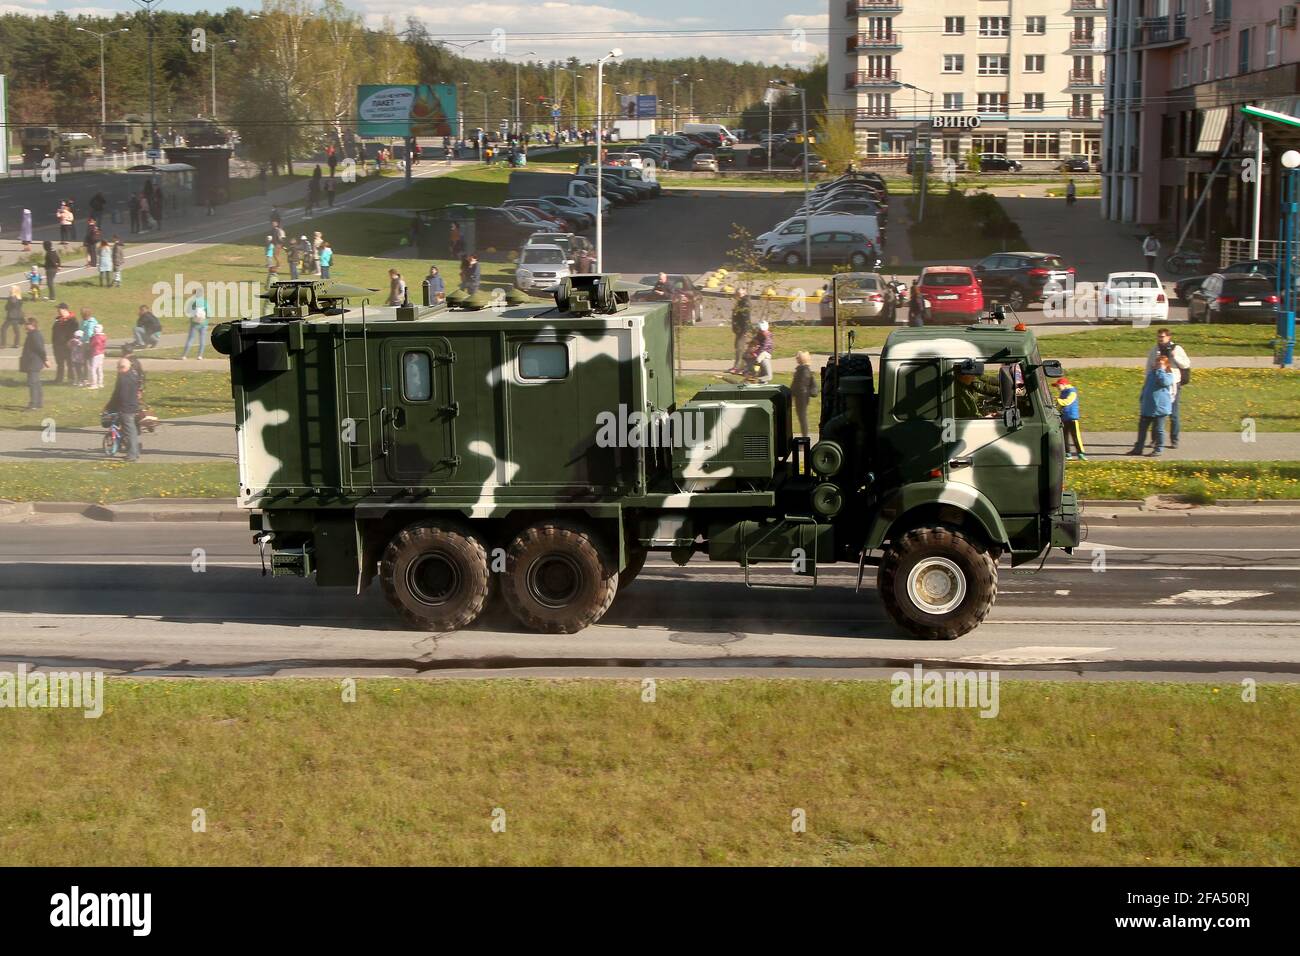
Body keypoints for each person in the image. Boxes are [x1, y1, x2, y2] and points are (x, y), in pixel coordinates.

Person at [1147, 328, 1191, 449]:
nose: (1160, 339)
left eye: (1162, 337)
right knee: (1156, 412)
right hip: (1157, 384)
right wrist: (1148, 381)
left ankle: (1174, 440)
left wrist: (1174, 357)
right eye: (1159, 337)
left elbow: (1186, 364)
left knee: (1174, 413)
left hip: (1173, 383)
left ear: (1168, 337)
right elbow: (1149, 366)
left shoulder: (1177, 349)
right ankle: (1154, 439)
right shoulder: (1154, 350)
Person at [1129, 354, 1175, 456]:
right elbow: (1146, 387)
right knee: (1142, 429)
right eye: (1157, 363)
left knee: (1159, 430)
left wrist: (1161, 371)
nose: (1158, 365)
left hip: (1160, 409)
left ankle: (1158, 449)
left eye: (1161, 364)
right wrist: (1142, 398)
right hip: (1147, 408)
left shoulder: (1168, 375)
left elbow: (1164, 382)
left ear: (1166, 366)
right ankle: (1138, 448)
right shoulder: (1151, 374)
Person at [104, 357, 142, 461]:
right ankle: (135, 452)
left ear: (122, 367)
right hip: (133, 407)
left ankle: (132, 455)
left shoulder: (123, 378)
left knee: (129, 432)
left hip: (126, 409)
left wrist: (110, 407)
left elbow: (118, 395)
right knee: (132, 431)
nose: (117, 369)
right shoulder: (134, 374)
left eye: (118, 367)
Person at [19, 317, 49, 410]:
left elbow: (40, 349)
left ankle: (33, 405)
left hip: (33, 363)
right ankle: (39, 403)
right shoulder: (33, 334)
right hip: (33, 362)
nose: (25, 326)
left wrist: (45, 359)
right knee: (36, 383)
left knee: (33, 383)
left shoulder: (34, 335)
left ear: (32, 325)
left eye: (27, 324)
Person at [1055, 377, 1086, 460]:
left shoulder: (1072, 391)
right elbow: (1059, 406)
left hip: (1072, 418)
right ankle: (1067, 453)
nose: (1058, 388)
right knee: (1064, 436)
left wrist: (1058, 401)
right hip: (1064, 418)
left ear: (1064, 384)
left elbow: (1068, 401)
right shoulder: (1062, 393)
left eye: (1058, 386)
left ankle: (1081, 453)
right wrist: (1055, 411)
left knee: (1075, 436)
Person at [791, 350, 820, 438]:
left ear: (801, 359)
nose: (796, 358)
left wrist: (792, 393)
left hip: (802, 397)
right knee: (802, 418)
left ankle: (805, 438)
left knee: (802, 418)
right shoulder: (802, 369)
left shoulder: (803, 370)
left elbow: (799, 385)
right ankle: (804, 437)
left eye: (798, 357)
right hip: (802, 396)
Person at [50, 304, 77, 383]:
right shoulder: (58, 320)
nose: (58, 311)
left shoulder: (72, 320)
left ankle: (71, 379)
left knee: (70, 363)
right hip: (58, 346)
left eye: (59, 309)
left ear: (65, 309)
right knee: (60, 364)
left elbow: (74, 333)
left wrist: (70, 342)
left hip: (68, 346)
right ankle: (59, 379)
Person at [728, 287, 751, 374]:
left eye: (738, 294)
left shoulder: (744, 303)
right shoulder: (740, 303)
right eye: (736, 294)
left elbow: (746, 319)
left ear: (744, 294)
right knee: (738, 348)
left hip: (743, 330)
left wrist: (745, 331)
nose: (736, 295)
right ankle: (739, 366)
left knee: (740, 348)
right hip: (739, 330)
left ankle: (738, 367)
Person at [181, 290, 209, 359]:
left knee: (190, 339)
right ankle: (200, 356)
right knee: (202, 339)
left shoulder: (192, 302)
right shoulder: (205, 302)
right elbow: (209, 313)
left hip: (194, 323)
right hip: (204, 323)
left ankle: (184, 355)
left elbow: (188, 312)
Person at [87, 322, 107, 389]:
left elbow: (92, 344)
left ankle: (94, 384)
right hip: (101, 353)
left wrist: (91, 339)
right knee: (99, 369)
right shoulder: (103, 336)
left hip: (96, 353)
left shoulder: (95, 337)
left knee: (93, 369)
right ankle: (100, 383)